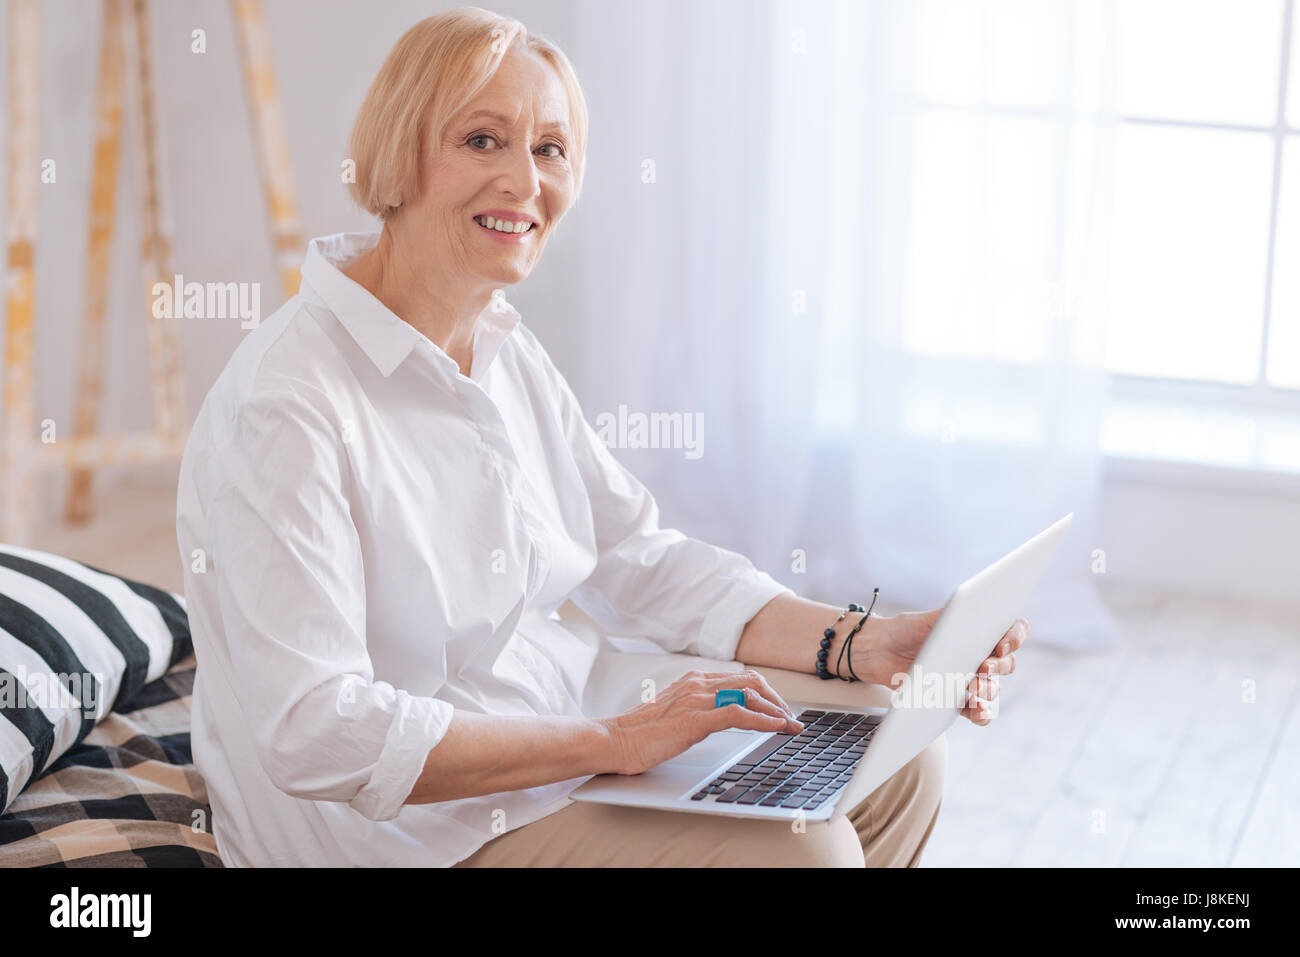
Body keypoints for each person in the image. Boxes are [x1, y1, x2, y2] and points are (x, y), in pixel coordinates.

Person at [176, 6, 1027, 868]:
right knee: (810, 854)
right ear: (401, 151)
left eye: (549, 149)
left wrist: (854, 642)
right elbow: (316, 731)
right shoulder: (289, 401)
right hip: (407, 840)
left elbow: (636, 558)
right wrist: (614, 741)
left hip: (557, 750)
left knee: (898, 755)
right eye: (482, 140)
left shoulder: (502, 349)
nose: (524, 180)